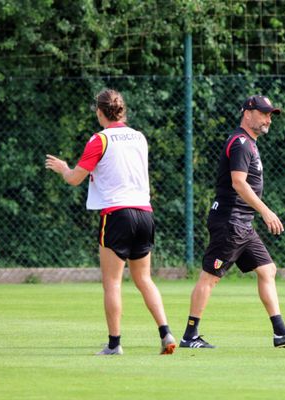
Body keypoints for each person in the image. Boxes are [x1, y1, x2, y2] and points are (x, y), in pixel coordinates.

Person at [45, 88, 176, 356]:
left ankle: (115, 344)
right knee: (144, 279)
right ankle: (166, 333)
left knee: (112, 282)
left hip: (118, 214)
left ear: (99, 112)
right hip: (144, 213)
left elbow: (74, 179)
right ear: (122, 110)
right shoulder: (139, 137)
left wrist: (63, 168)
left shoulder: (99, 140)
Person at [180, 95, 285, 349]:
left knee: (267, 270)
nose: (268, 119)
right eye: (264, 113)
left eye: (271, 114)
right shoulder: (240, 143)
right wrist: (265, 211)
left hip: (242, 224)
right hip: (231, 223)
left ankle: (280, 333)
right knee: (210, 277)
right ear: (247, 113)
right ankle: (189, 336)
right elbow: (238, 182)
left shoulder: (250, 144)